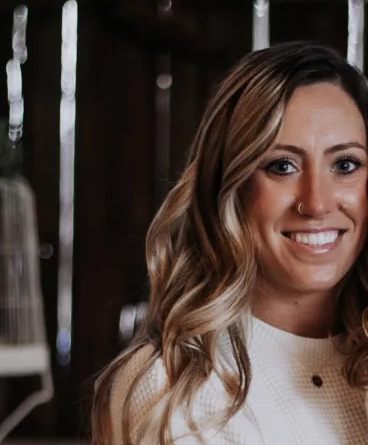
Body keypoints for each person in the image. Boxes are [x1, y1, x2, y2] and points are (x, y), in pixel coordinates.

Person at [91, 41, 368, 444]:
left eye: (346, 165)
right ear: (231, 187)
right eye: (282, 166)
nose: (317, 203)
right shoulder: (176, 388)